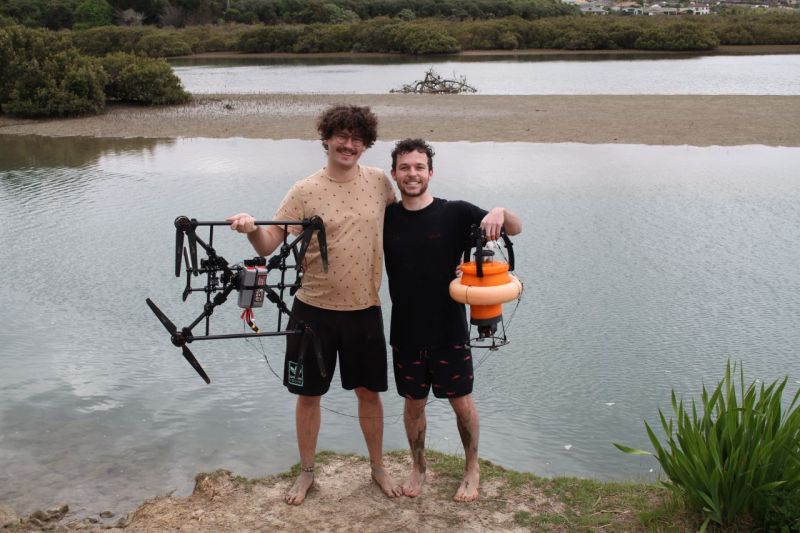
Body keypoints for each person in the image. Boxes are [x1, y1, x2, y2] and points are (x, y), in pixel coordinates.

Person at [227, 105, 402, 505]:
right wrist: (251, 229)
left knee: (369, 393)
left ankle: (378, 467)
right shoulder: (304, 190)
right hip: (312, 311)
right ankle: (307, 472)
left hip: (365, 309)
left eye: (357, 139)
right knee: (308, 396)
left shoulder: (380, 183)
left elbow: (404, 225)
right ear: (326, 139)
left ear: (366, 144)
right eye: (342, 136)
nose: (349, 145)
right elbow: (269, 244)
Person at [383, 138, 522, 502]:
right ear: (394, 173)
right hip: (405, 331)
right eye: (404, 167)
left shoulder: (456, 213)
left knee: (462, 403)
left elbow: (516, 228)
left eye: (419, 167)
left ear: (430, 172)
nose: (412, 174)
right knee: (413, 404)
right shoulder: (386, 217)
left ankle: (472, 467)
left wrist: (499, 210)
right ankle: (418, 467)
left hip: (449, 329)